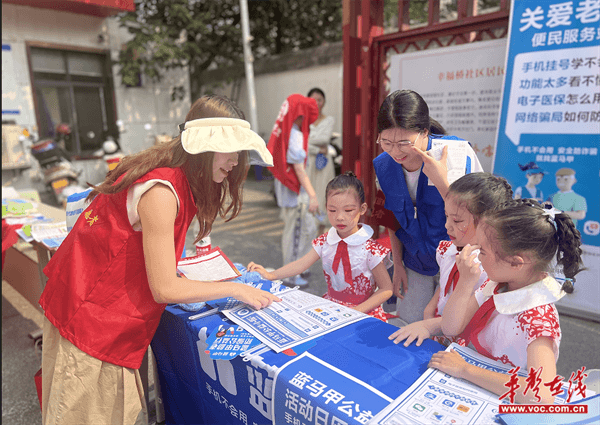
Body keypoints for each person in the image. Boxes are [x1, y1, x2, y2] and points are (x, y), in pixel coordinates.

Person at [38, 95, 281, 425]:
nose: (235, 162)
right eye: (229, 150)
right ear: (203, 147)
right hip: (91, 322)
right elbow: (165, 288)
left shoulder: (174, 176)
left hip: (93, 309)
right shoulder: (163, 192)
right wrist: (237, 289)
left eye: (239, 152)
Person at [432, 199, 584, 404]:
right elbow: (450, 327)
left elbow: (540, 395)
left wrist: (465, 369)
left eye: (483, 251)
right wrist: (465, 284)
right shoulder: (498, 284)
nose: (476, 255)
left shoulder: (537, 316)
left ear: (515, 262)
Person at [373, 89, 483, 325]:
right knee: (408, 326)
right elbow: (392, 218)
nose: (395, 152)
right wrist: (398, 264)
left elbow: (479, 216)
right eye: (386, 142)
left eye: (404, 143)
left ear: (424, 132)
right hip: (415, 263)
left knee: (452, 330)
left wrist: (442, 181)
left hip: (458, 264)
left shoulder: (455, 155)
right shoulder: (384, 165)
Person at [388, 172, 513, 347]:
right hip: (440, 331)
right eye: (446, 216)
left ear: (490, 223)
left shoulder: (491, 268)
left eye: (457, 220)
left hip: (467, 341)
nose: (447, 226)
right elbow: (446, 281)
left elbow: (472, 314)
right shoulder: (448, 249)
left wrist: (429, 325)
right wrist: (431, 306)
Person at [248, 172, 393, 321]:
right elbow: (301, 264)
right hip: (332, 308)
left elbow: (386, 289)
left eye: (348, 210)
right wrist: (271, 275)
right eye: (332, 210)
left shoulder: (370, 249)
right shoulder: (325, 241)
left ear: (362, 209)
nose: (339, 217)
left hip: (364, 312)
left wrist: (355, 312)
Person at [268, 94, 320, 287]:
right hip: (295, 192)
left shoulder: (285, 131)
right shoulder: (295, 134)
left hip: (290, 189)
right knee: (297, 231)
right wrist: (313, 195)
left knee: (304, 228)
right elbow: (299, 169)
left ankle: (300, 267)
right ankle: (291, 274)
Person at [305, 87, 336, 235]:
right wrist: (317, 148)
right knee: (308, 193)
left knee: (323, 193)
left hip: (324, 164)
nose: (316, 103)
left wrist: (309, 142)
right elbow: (301, 144)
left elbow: (324, 139)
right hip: (307, 162)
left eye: (319, 100)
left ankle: (320, 231)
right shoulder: (303, 121)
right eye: (313, 99)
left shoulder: (329, 120)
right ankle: (307, 229)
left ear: (324, 102)